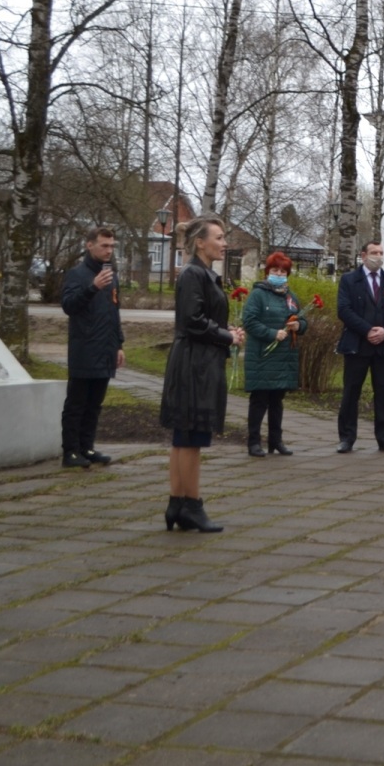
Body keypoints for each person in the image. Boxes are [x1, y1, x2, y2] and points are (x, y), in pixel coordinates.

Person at [159, 218, 242, 532]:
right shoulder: (195, 273)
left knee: (185, 436)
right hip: (195, 363)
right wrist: (226, 336)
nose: (224, 243)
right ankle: (190, 505)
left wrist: (225, 331)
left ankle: (177, 504)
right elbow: (192, 321)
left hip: (195, 359)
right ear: (200, 243)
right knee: (190, 435)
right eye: (219, 238)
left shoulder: (200, 273)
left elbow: (200, 319)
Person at [59, 227, 125, 469]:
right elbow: (68, 306)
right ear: (89, 245)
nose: (109, 250)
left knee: (95, 404)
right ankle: (70, 451)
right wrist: (92, 288)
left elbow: (114, 311)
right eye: (104, 246)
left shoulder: (112, 275)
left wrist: (119, 344)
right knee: (77, 403)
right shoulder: (77, 274)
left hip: (106, 348)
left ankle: (87, 447)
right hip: (84, 348)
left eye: (111, 246)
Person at [336, 240, 384, 453]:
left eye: (381, 252)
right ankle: (347, 438)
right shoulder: (349, 280)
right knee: (351, 392)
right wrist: (367, 330)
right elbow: (344, 310)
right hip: (357, 345)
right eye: (374, 252)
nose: (379, 256)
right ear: (363, 255)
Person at [242, 251, 306, 457]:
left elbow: (302, 320)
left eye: (283, 271)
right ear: (267, 271)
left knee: (277, 400)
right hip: (262, 356)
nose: (279, 273)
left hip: (283, 357)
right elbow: (250, 321)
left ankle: (275, 441)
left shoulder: (291, 296)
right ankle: (253, 442)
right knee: (259, 400)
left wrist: (299, 325)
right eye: (275, 270)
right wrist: (271, 334)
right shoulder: (258, 294)